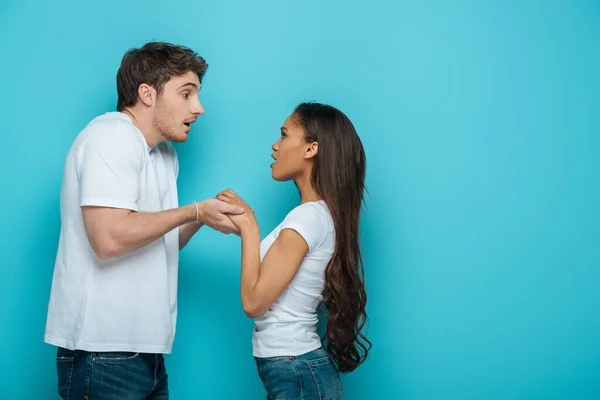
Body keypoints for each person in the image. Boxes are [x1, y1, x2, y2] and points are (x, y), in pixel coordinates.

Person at [44, 41, 245, 400]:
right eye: (186, 94)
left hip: (145, 354)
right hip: (103, 353)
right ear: (147, 93)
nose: (198, 108)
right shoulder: (111, 137)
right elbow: (108, 240)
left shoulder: (163, 154)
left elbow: (160, 237)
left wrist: (204, 216)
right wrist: (194, 210)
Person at [217, 102, 371, 399]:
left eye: (285, 135)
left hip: (296, 368)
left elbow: (253, 303)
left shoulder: (308, 217)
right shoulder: (319, 215)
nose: (275, 146)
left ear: (311, 149)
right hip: (297, 368)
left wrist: (249, 229)